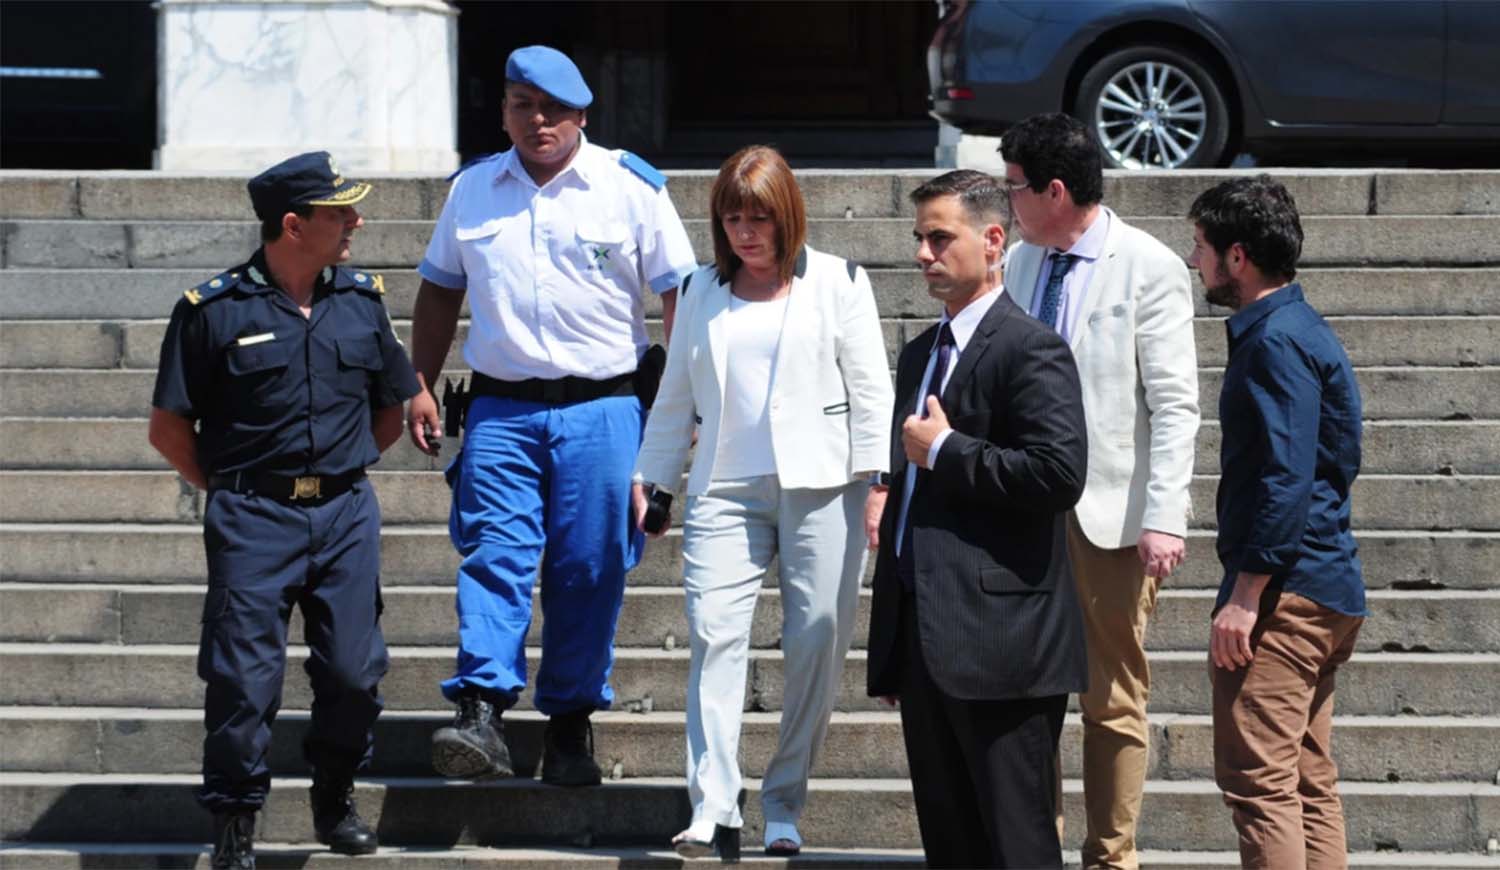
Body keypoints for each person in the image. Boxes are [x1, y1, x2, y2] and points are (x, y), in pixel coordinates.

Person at [405, 45, 697, 786]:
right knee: (494, 556)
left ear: (582, 116)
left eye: (554, 110)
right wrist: (419, 382)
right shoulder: (472, 189)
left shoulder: (629, 187)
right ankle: (480, 710)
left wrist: (681, 405)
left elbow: (680, 297)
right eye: (523, 106)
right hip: (501, 411)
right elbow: (439, 290)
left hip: (604, 409)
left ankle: (570, 722)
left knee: (590, 568)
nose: (539, 122)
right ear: (504, 112)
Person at [147, 151, 421, 869]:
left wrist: (338, 475)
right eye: (340, 212)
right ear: (294, 226)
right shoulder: (211, 310)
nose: (356, 221)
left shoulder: (360, 301)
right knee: (242, 680)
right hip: (252, 516)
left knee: (354, 672)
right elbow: (169, 428)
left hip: (344, 513)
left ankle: (335, 793)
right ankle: (235, 820)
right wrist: (238, 491)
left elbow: (389, 411)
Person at [632, 145, 894, 861]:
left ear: (788, 216)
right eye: (732, 219)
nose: (746, 233)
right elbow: (675, 397)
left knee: (817, 638)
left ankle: (783, 800)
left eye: (760, 219)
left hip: (825, 485)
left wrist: (878, 482)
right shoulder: (700, 289)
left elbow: (872, 390)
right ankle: (712, 804)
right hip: (724, 488)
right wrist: (654, 477)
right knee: (713, 635)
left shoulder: (840, 280)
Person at [866, 169, 1089, 869]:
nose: (923, 253)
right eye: (919, 238)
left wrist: (947, 450)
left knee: (1018, 845)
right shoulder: (919, 354)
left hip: (1004, 645)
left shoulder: (1031, 347)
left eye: (940, 238)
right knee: (951, 844)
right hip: (927, 639)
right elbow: (910, 500)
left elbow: (1058, 475)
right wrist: (892, 639)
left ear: (993, 240)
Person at [999, 112, 1200, 869]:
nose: (1006, 201)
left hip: (1108, 514)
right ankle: (1035, 849)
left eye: (1014, 187)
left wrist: (1164, 515)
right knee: (1026, 695)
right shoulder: (1018, 263)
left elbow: (1175, 403)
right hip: (1024, 507)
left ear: (1054, 191)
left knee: (1112, 695)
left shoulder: (1148, 265)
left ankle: (1111, 856)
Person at [1189, 175, 1365, 870]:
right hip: (1323, 583)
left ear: (1237, 256)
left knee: (1259, 784)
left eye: (1201, 246)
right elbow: (1336, 459)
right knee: (1306, 780)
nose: (1194, 260)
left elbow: (1284, 475)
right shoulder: (1304, 329)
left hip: (1285, 595)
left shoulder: (1275, 342)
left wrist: (1245, 594)